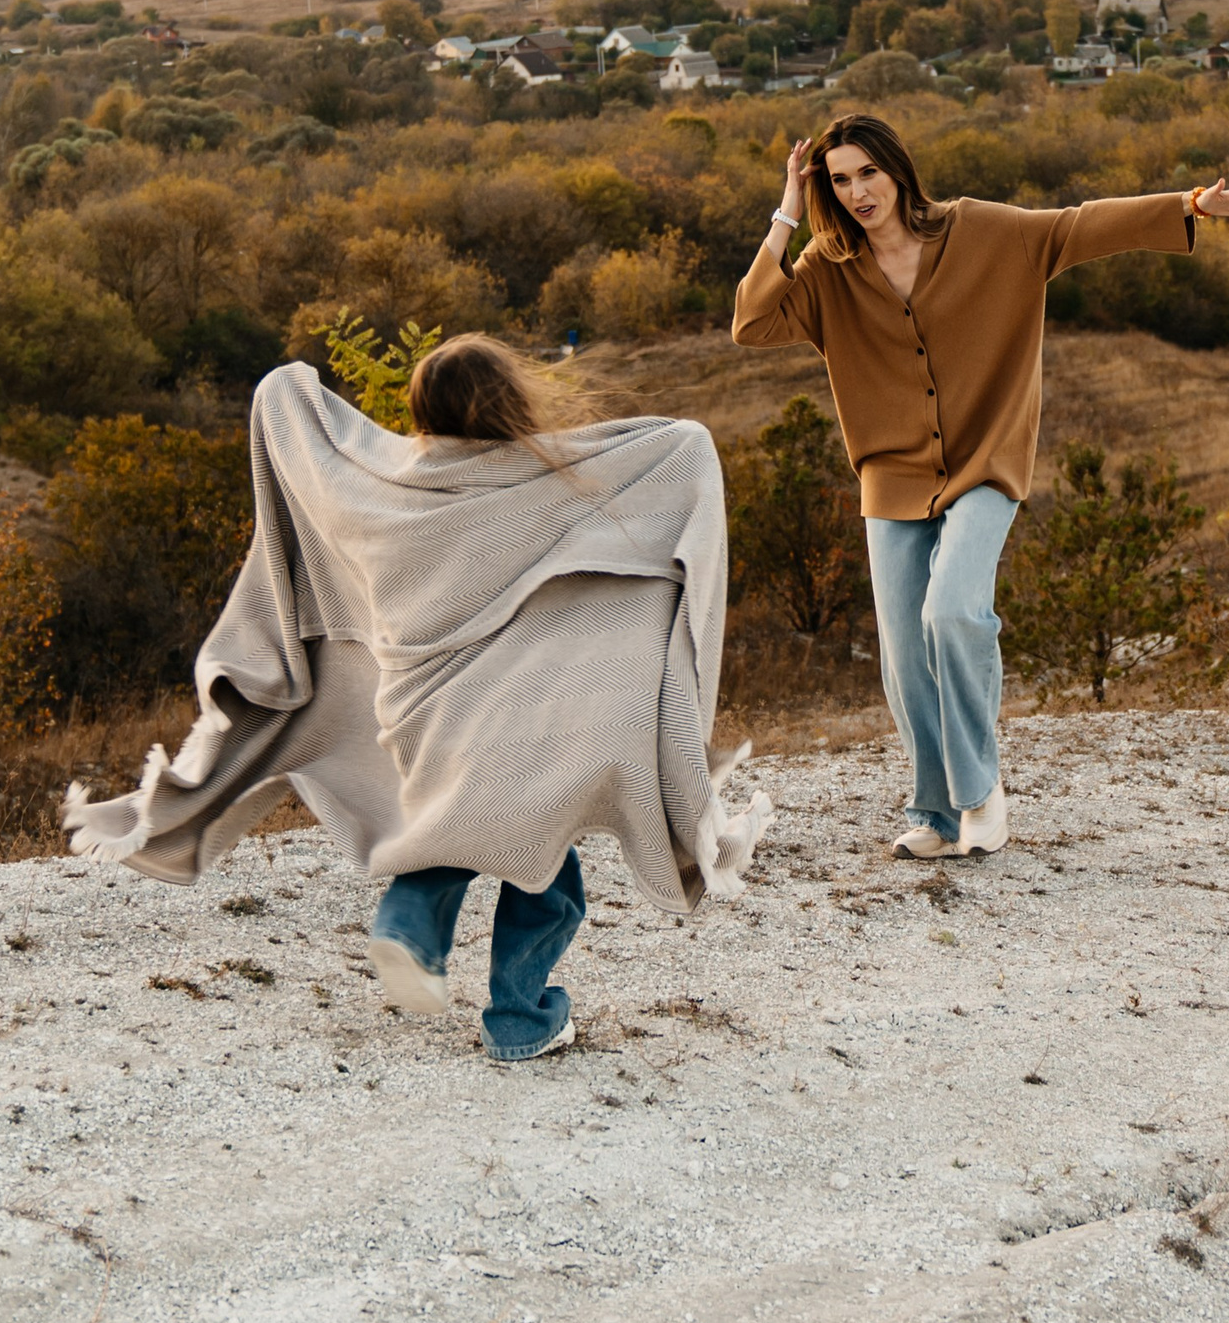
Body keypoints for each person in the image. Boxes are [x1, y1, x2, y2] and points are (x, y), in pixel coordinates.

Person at [65, 335, 769, 1062]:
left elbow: (281, 398)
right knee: (544, 872)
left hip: (425, 725)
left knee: (442, 840)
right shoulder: (540, 484)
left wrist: (293, 384)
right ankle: (521, 1021)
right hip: (524, 732)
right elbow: (683, 446)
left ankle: (406, 933)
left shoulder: (384, 489)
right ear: (512, 403)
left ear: (418, 408)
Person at [732, 113, 1229, 860]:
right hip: (891, 478)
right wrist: (787, 212)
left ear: (898, 169)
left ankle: (981, 793)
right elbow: (751, 321)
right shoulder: (828, 270)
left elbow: (1077, 227)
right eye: (840, 179)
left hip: (987, 462)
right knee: (904, 655)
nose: (858, 191)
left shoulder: (982, 230)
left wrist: (1186, 205)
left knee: (953, 611)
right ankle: (939, 814)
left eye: (869, 172)